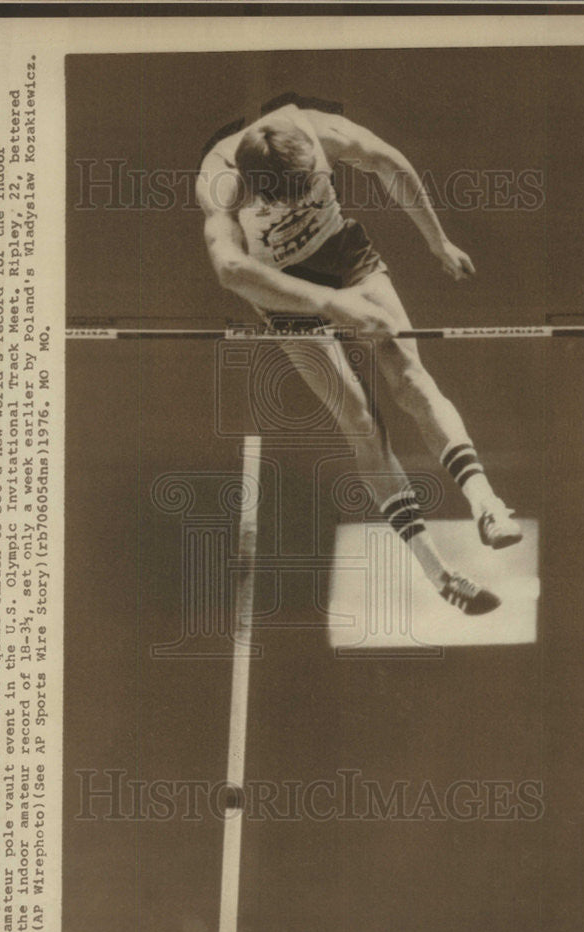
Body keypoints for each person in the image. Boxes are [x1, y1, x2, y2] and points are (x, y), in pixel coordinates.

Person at [196, 103, 522, 615]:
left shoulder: (320, 131)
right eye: (291, 198)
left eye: (310, 187)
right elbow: (230, 269)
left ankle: (486, 502)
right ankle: (437, 572)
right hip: (281, 287)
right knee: (360, 419)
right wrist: (327, 303)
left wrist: (437, 240)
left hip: (342, 254)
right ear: (261, 191)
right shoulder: (221, 181)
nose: (303, 200)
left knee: (410, 379)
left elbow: (389, 162)